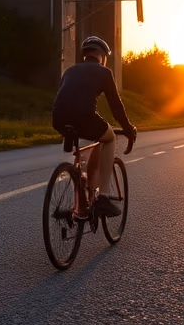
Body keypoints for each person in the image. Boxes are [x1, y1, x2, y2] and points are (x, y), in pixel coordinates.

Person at [52, 35, 137, 218]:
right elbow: (116, 107)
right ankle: (103, 198)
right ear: (102, 55)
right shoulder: (104, 72)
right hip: (85, 116)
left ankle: (81, 209)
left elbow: (66, 97)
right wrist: (128, 129)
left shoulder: (69, 70)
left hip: (58, 117)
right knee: (109, 137)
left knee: (92, 142)